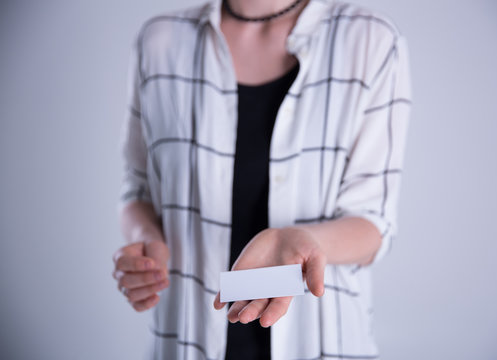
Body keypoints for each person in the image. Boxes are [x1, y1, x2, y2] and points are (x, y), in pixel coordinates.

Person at [112, 0, 412, 358]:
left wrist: (302, 241)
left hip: (322, 342)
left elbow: (374, 221)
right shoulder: (160, 40)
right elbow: (137, 187)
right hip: (183, 339)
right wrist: (147, 245)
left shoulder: (370, 40)